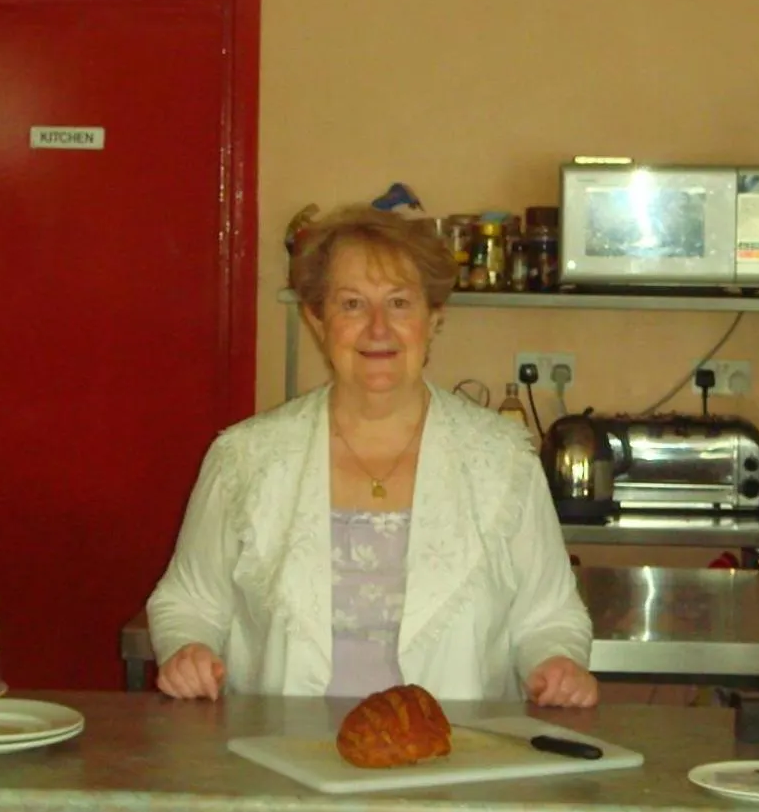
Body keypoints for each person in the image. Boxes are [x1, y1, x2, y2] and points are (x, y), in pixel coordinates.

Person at [147, 203, 598, 707]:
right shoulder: (243, 459)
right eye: (353, 304)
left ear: (434, 319)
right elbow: (187, 602)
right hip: (284, 762)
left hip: (455, 763)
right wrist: (187, 649)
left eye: (401, 303)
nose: (378, 328)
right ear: (318, 320)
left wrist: (556, 661)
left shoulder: (503, 460)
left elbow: (550, 615)